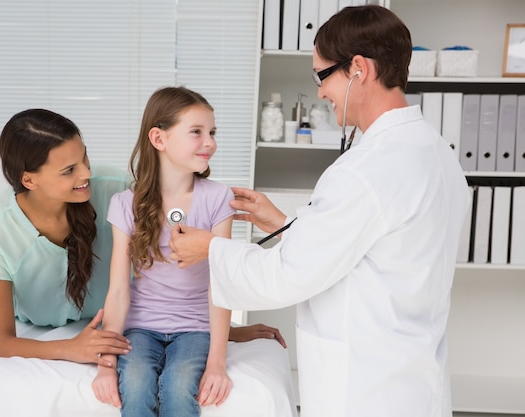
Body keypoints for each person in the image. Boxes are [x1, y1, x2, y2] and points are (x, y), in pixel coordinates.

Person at [169, 5, 470, 417]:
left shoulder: (369, 169)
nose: (320, 92)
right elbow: (371, 250)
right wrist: (280, 222)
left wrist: (211, 251)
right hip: (412, 376)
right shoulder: (436, 153)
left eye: (322, 75)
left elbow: (289, 276)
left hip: (366, 388)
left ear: (358, 69)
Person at [0, 108, 285, 366]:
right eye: (69, 170)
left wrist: (223, 330)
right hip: (40, 326)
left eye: (85, 159)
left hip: (133, 320)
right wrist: (70, 349)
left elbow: (168, 266)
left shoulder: (116, 190)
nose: (85, 174)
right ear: (29, 179)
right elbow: (1, 343)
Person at [91, 86, 238, 416]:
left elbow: (221, 285)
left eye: (212, 132)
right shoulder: (125, 205)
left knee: (180, 382)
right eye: (196, 132)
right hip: (141, 326)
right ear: (159, 139)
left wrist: (217, 363)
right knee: (138, 379)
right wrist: (106, 360)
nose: (210, 142)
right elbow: (117, 290)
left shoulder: (217, 199)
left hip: (196, 327)